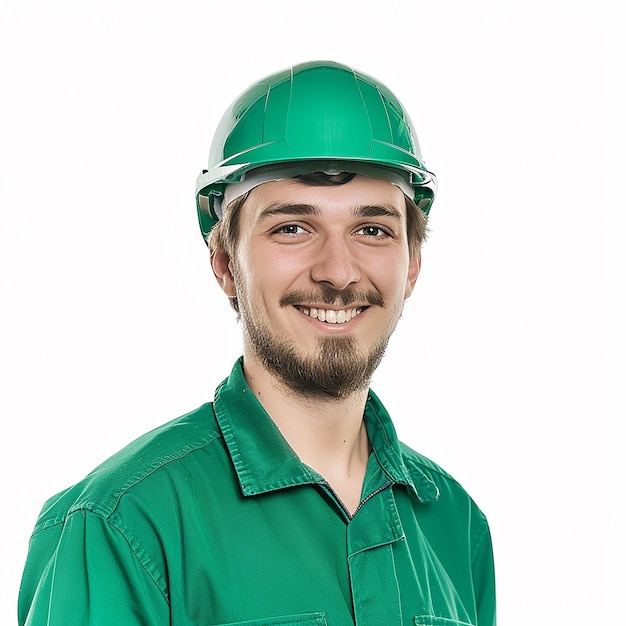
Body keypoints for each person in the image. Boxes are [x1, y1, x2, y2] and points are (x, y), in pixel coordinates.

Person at [18, 61, 496, 625]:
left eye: (373, 230)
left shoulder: (455, 526)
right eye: (293, 227)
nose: (339, 273)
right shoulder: (119, 524)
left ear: (412, 264)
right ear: (224, 263)